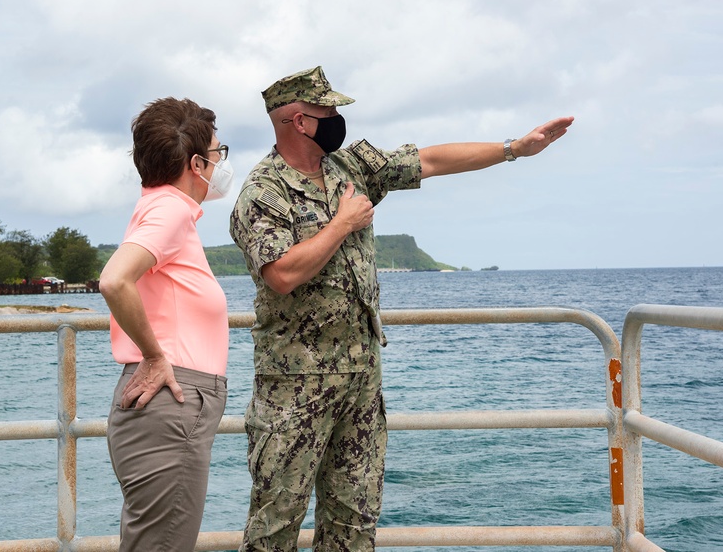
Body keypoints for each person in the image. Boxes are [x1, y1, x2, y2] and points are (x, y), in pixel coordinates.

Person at [230, 66, 574, 552]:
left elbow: (429, 160)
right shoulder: (262, 191)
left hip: (361, 379)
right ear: (300, 121)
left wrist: (513, 149)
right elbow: (281, 274)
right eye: (328, 111)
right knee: (274, 527)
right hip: (296, 386)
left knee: (354, 522)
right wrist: (342, 225)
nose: (337, 119)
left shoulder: (351, 168)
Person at [99, 96, 235, 552]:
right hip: (172, 406)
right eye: (219, 154)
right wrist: (156, 356)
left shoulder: (159, 208)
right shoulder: (170, 210)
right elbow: (115, 280)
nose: (221, 164)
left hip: (167, 409)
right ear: (197, 163)